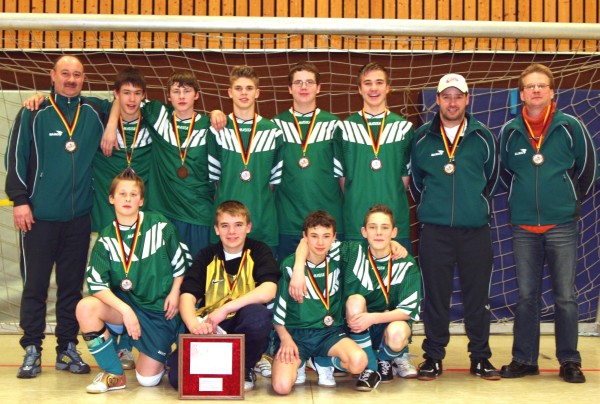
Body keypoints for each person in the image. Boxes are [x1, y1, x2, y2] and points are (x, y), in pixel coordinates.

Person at [5, 55, 106, 379]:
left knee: (71, 288)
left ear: (84, 78)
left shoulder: (93, 111)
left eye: (77, 74)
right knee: (35, 286)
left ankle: (67, 347)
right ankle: (32, 348)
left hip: (78, 219)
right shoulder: (33, 112)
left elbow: (127, 102)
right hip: (39, 218)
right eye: (65, 73)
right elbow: (15, 157)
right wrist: (20, 201)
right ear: (52, 75)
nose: (71, 79)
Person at [498, 64, 598, 383]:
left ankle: (569, 360)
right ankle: (525, 360)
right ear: (521, 94)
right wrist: (522, 200)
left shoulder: (571, 126)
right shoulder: (510, 131)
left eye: (542, 85)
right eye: (530, 86)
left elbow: (588, 169)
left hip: (562, 225)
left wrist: (568, 201)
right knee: (526, 297)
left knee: (565, 297)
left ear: (552, 92)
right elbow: (504, 174)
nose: (536, 90)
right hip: (524, 227)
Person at [410, 73, 501, 381]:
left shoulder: (483, 136)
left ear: (467, 99)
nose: (452, 102)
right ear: (437, 100)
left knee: (478, 299)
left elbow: (491, 179)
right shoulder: (422, 138)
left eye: (458, 96)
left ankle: (481, 358)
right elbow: (417, 184)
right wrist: (435, 208)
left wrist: (472, 205)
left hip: (475, 231)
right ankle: (433, 357)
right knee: (436, 298)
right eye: (446, 96)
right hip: (435, 232)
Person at [76, 168, 191, 393]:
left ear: (141, 200)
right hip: (126, 307)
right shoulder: (106, 238)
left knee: (147, 380)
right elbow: (96, 284)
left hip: (159, 310)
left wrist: (175, 291)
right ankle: (114, 374)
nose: (127, 199)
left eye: (133, 194)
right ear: (111, 199)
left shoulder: (159, 225)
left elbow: (182, 263)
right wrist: (125, 310)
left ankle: (161, 354)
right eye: (122, 194)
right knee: (86, 307)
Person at [290, 205, 420, 392]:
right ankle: (370, 368)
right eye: (373, 227)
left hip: (385, 324)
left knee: (397, 334)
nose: (378, 232)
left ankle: (383, 358)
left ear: (394, 232)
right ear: (364, 232)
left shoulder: (405, 262)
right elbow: (307, 242)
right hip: (354, 326)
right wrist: (298, 269)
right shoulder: (351, 251)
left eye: (384, 228)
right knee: (355, 300)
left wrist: (373, 318)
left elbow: (408, 311)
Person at [102, 71, 227, 257]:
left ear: (197, 95)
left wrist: (216, 112)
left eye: (187, 91)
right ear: (168, 96)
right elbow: (123, 99)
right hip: (163, 214)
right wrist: (111, 126)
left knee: (197, 270)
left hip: (198, 214)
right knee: (163, 270)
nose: (182, 96)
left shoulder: (210, 125)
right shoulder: (158, 114)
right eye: (176, 91)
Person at [169, 200, 281, 392]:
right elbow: (187, 295)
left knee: (259, 317)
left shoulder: (259, 251)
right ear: (216, 229)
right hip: (212, 326)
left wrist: (226, 308)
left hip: (242, 323)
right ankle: (220, 364)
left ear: (248, 227)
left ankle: (244, 366)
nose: (232, 232)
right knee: (179, 380)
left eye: (238, 225)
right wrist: (195, 326)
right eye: (225, 226)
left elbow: (269, 289)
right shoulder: (206, 255)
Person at [271, 211, 367, 395]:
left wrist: (393, 244)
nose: (320, 242)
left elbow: (372, 244)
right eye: (314, 236)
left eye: (326, 236)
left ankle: (322, 361)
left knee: (358, 363)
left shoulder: (339, 258)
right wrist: (285, 339)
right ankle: (300, 363)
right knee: (282, 387)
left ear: (334, 238)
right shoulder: (290, 266)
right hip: (296, 335)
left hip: (329, 333)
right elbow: (278, 309)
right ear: (305, 237)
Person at [336, 62, 414, 249]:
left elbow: (404, 180)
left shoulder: (404, 128)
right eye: (367, 83)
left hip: (393, 224)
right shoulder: (344, 128)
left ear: (388, 88)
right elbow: (343, 180)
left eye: (379, 83)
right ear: (359, 89)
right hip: (356, 222)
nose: (373, 88)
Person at [272, 62, 344, 260]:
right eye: (298, 83)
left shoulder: (335, 125)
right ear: (289, 89)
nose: (303, 87)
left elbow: (343, 178)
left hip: (327, 225)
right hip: (288, 222)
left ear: (318, 88)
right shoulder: (274, 126)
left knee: (328, 278)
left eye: (309, 82)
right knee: (289, 276)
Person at [209, 66, 283, 254]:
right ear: (229, 92)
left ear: (257, 93)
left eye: (249, 88)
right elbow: (214, 180)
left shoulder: (273, 131)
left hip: (262, 223)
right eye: (238, 88)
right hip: (227, 227)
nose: (244, 93)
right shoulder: (218, 130)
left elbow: (273, 183)